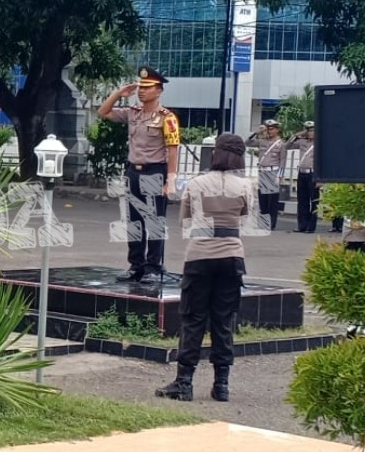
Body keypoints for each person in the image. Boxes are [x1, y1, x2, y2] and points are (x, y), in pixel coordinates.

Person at [156, 133, 254, 403]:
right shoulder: (246, 186)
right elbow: (246, 217)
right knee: (224, 321)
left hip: (199, 256)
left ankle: (184, 382)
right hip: (232, 257)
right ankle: (221, 385)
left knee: (193, 318)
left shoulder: (196, 184)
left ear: (215, 154)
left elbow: (184, 221)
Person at [97, 66, 181, 283]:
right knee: (134, 221)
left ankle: (153, 266)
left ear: (159, 90)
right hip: (133, 171)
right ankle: (136, 266)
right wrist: (118, 93)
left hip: (155, 172)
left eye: (148, 87)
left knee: (154, 222)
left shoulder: (167, 118)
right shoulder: (132, 113)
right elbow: (103, 112)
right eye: (140, 87)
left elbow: (173, 149)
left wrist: (171, 180)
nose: (142, 91)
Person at [246, 120, 286, 230]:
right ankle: (263, 223)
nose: (270, 131)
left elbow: (282, 161)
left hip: (273, 172)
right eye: (268, 128)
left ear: (277, 130)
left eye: (272, 128)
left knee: (272, 200)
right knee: (262, 199)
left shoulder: (280, 143)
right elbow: (248, 142)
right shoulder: (262, 141)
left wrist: (280, 176)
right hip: (263, 172)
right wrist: (257, 132)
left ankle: (271, 223)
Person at [286, 122, 317, 233]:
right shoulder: (302, 142)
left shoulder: (320, 143)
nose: (310, 133)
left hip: (313, 174)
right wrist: (298, 134)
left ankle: (311, 226)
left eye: (312, 130)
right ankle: (301, 225)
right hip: (302, 173)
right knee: (302, 200)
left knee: (314, 201)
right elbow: (287, 145)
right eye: (308, 130)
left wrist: (321, 179)